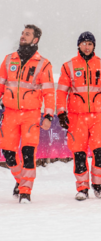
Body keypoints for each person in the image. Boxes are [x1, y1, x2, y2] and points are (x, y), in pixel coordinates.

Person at [56, 31, 101, 201]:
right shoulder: (68, 66)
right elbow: (61, 91)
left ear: (94, 46)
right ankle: (82, 187)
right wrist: (61, 112)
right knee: (79, 153)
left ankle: (98, 185)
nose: (87, 46)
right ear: (78, 45)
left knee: (100, 151)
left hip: (98, 116)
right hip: (77, 117)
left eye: (90, 43)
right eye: (84, 43)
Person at [0, 25, 55, 203]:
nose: (23, 36)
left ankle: (25, 191)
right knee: (8, 153)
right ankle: (21, 180)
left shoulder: (43, 64)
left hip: (31, 115)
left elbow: (49, 92)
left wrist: (48, 115)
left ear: (35, 40)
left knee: (28, 152)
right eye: (23, 33)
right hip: (10, 114)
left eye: (27, 34)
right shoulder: (9, 60)